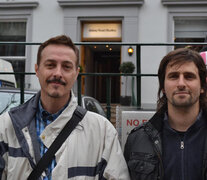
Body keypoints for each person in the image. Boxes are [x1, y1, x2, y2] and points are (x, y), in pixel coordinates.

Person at [0, 35, 130, 180]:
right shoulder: (6, 127)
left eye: (66, 67)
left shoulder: (102, 131)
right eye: (50, 65)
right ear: (37, 70)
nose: (58, 73)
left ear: (76, 73)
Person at [124, 48, 207, 180]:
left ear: (202, 85)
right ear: (163, 86)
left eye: (189, 76)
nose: (181, 84)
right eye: (173, 76)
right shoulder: (138, 139)